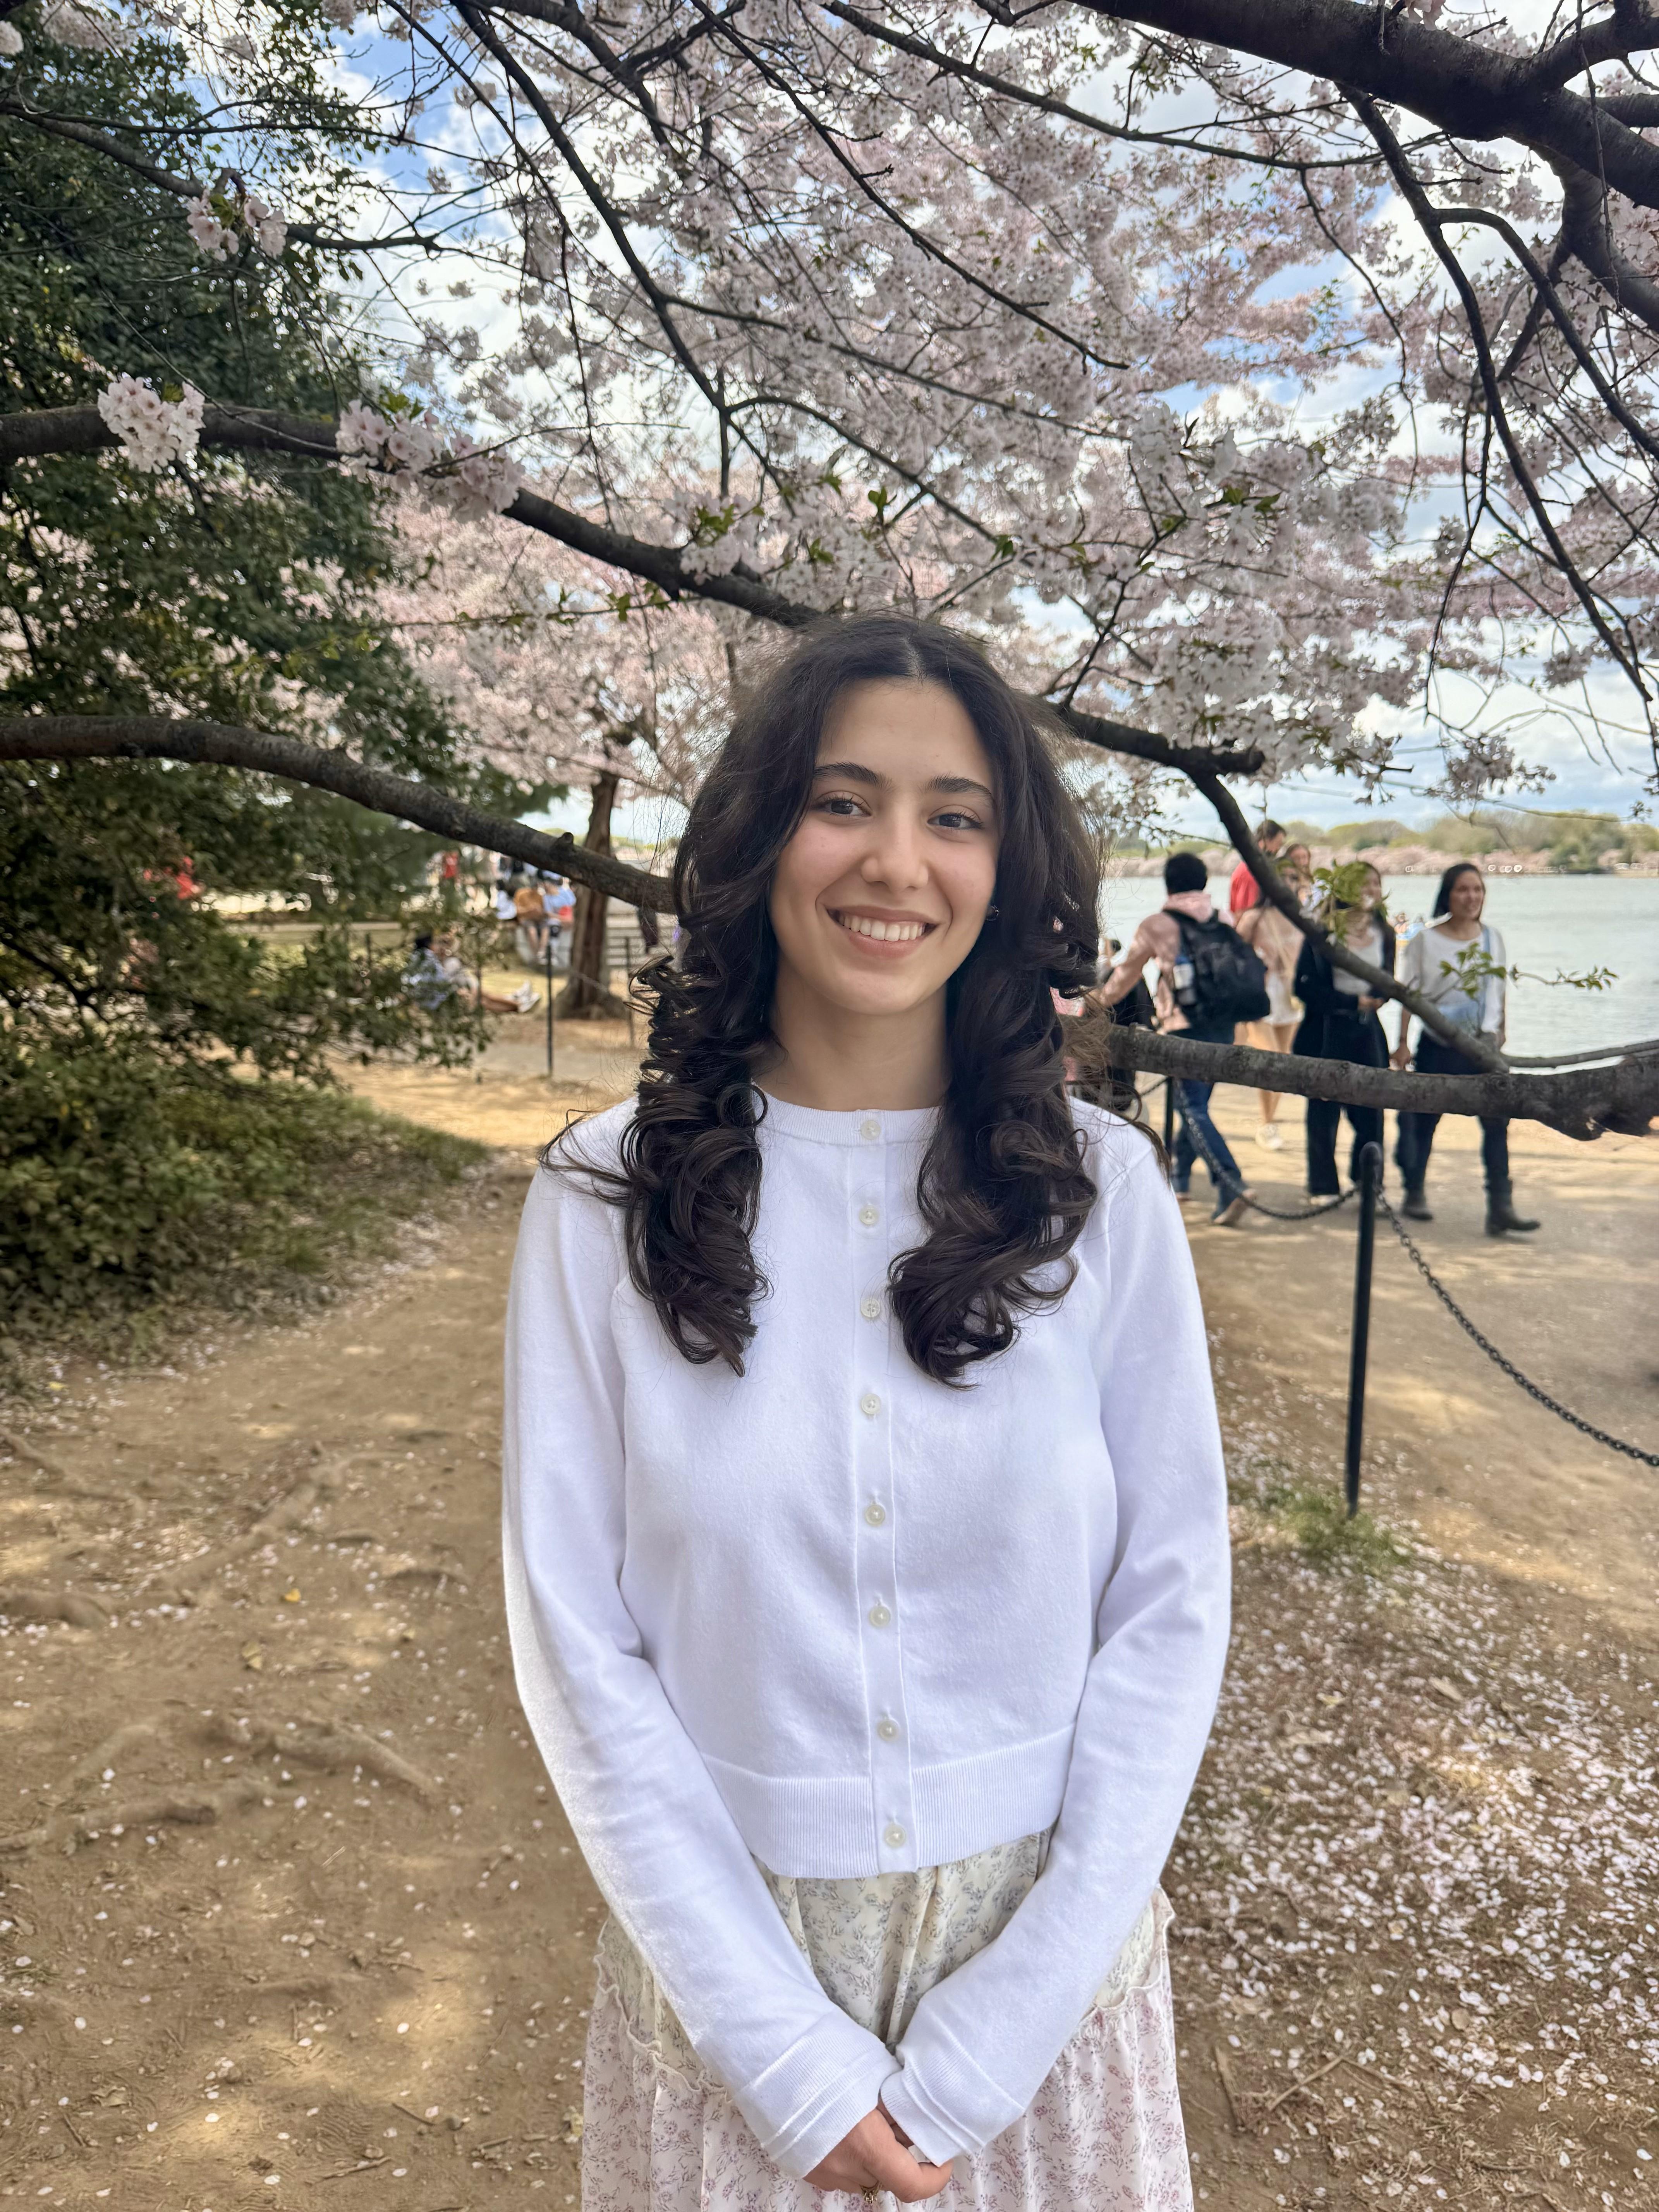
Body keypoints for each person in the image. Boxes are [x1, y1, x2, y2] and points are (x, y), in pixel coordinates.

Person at [503, 616, 1231, 2212]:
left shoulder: (1100, 1194)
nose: (897, 863)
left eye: (955, 816)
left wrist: (1010, 2021)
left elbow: (1172, 1604)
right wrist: (781, 2051)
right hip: (733, 1997)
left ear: (1009, 863)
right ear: (763, 834)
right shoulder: (599, 1198)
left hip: (1049, 1994)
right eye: (844, 802)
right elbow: (578, 1641)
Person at [1098, 849, 1266, 1224]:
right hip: (1223, 1026)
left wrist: (1095, 1004)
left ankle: (1232, 1182)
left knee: (1192, 1108)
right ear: (1205, 882)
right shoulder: (1223, 919)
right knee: (1194, 1104)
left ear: (1168, 883)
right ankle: (1183, 1179)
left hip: (1183, 1027)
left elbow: (1125, 977)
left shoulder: (1158, 925)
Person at [1391, 862, 1539, 1236]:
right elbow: (1409, 995)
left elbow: (1498, 990)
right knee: (1425, 1122)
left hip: (1484, 1049)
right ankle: (1414, 1191)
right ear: (1448, 894)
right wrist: (1403, 1043)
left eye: (1478, 890)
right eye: (1463, 890)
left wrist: (1501, 1032)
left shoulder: (1493, 938)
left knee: (1496, 1125)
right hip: (1439, 1045)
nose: (1471, 897)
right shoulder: (1425, 940)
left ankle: (1501, 1206)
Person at [1292, 864, 1393, 1197]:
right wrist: (1351, 1002)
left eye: (1377, 884)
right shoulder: (1323, 934)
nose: (1373, 890)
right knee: (1323, 1111)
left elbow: (1387, 981)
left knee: (1372, 1110)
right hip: (1325, 1028)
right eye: (1365, 884)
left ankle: (1368, 1182)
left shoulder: (1384, 932)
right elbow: (1303, 987)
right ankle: (1322, 1185)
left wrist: (1376, 1000)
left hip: (1367, 1030)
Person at [1236, 854, 1311, 1150]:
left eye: (1295, 877)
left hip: (1290, 997)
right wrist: (1259, 961)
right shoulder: (1255, 917)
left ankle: (1268, 1120)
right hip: (1260, 998)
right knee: (1274, 1060)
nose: (1289, 883)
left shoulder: (1300, 916)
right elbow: (1236, 955)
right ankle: (1267, 1125)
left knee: (1284, 1061)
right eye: (1284, 877)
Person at [405, 927, 538, 1015]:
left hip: (434, 1000)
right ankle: (519, 1004)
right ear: (430, 945)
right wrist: (457, 992)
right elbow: (441, 982)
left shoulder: (417, 958)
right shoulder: (429, 959)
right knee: (481, 1000)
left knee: (482, 998)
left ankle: (518, 1004)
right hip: (439, 1003)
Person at [1228, 818, 1286, 916]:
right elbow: (1244, 913)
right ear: (1267, 840)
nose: (1278, 850)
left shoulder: (1252, 868)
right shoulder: (1251, 872)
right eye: (1278, 844)